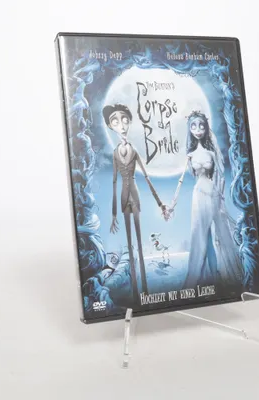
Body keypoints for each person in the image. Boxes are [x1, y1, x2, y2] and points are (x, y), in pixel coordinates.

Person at [168, 111, 242, 288]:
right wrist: (173, 203)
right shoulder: (190, 155)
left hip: (213, 194)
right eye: (194, 126)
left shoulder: (211, 153)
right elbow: (181, 180)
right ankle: (207, 273)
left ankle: (216, 273)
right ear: (190, 129)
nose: (198, 129)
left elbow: (220, 177)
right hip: (198, 194)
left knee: (215, 232)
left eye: (201, 125)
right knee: (202, 235)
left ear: (206, 127)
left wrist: (221, 196)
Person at [103, 103, 167, 304]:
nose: (121, 125)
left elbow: (147, 178)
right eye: (115, 121)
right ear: (110, 126)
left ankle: (145, 289)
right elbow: (114, 182)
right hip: (123, 196)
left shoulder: (135, 151)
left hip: (135, 194)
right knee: (130, 243)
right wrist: (114, 213)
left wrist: (159, 203)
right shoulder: (115, 153)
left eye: (124, 120)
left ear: (129, 122)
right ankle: (135, 290)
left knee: (138, 240)